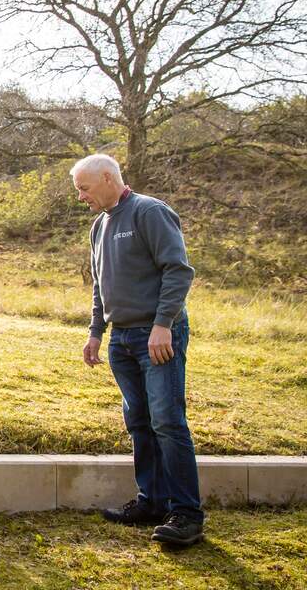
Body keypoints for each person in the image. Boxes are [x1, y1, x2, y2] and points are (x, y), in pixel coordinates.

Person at [72, 153, 204, 547]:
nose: (81, 197)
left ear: (109, 178)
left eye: (84, 188)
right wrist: (96, 332)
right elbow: (100, 285)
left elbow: (178, 271)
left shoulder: (150, 212)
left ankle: (187, 515)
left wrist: (163, 325)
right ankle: (152, 501)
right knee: (140, 423)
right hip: (123, 339)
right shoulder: (99, 225)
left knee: (167, 420)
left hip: (157, 336)